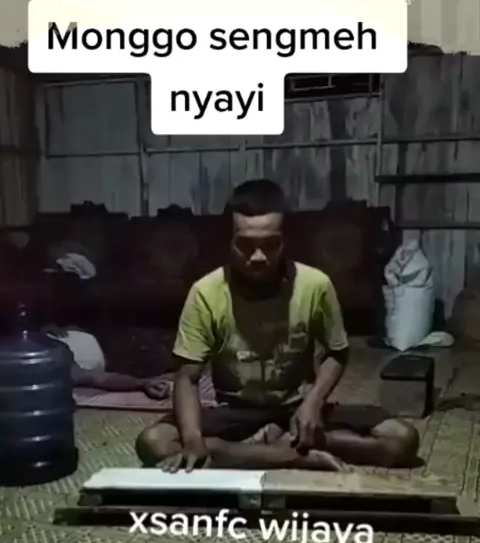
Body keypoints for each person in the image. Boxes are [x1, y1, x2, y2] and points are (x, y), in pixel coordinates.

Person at [136, 179, 419, 472]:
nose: (258, 257)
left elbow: (337, 352)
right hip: (234, 412)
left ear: (286, 240)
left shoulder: (315, 285)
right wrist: (194, 439)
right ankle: (295, 454)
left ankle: (234, 452)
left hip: (296, 406)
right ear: (228, 240)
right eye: (245, 245)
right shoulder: (205, 293)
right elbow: (188, 377)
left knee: (401, 439)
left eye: (270, 245)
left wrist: (313, 403)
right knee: (154, 443)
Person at [43, 325, 168, 400]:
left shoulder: (42, 342)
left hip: (93, 331)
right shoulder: (55, 368)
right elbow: (99, 378)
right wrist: (142, 383)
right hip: (114, 356)